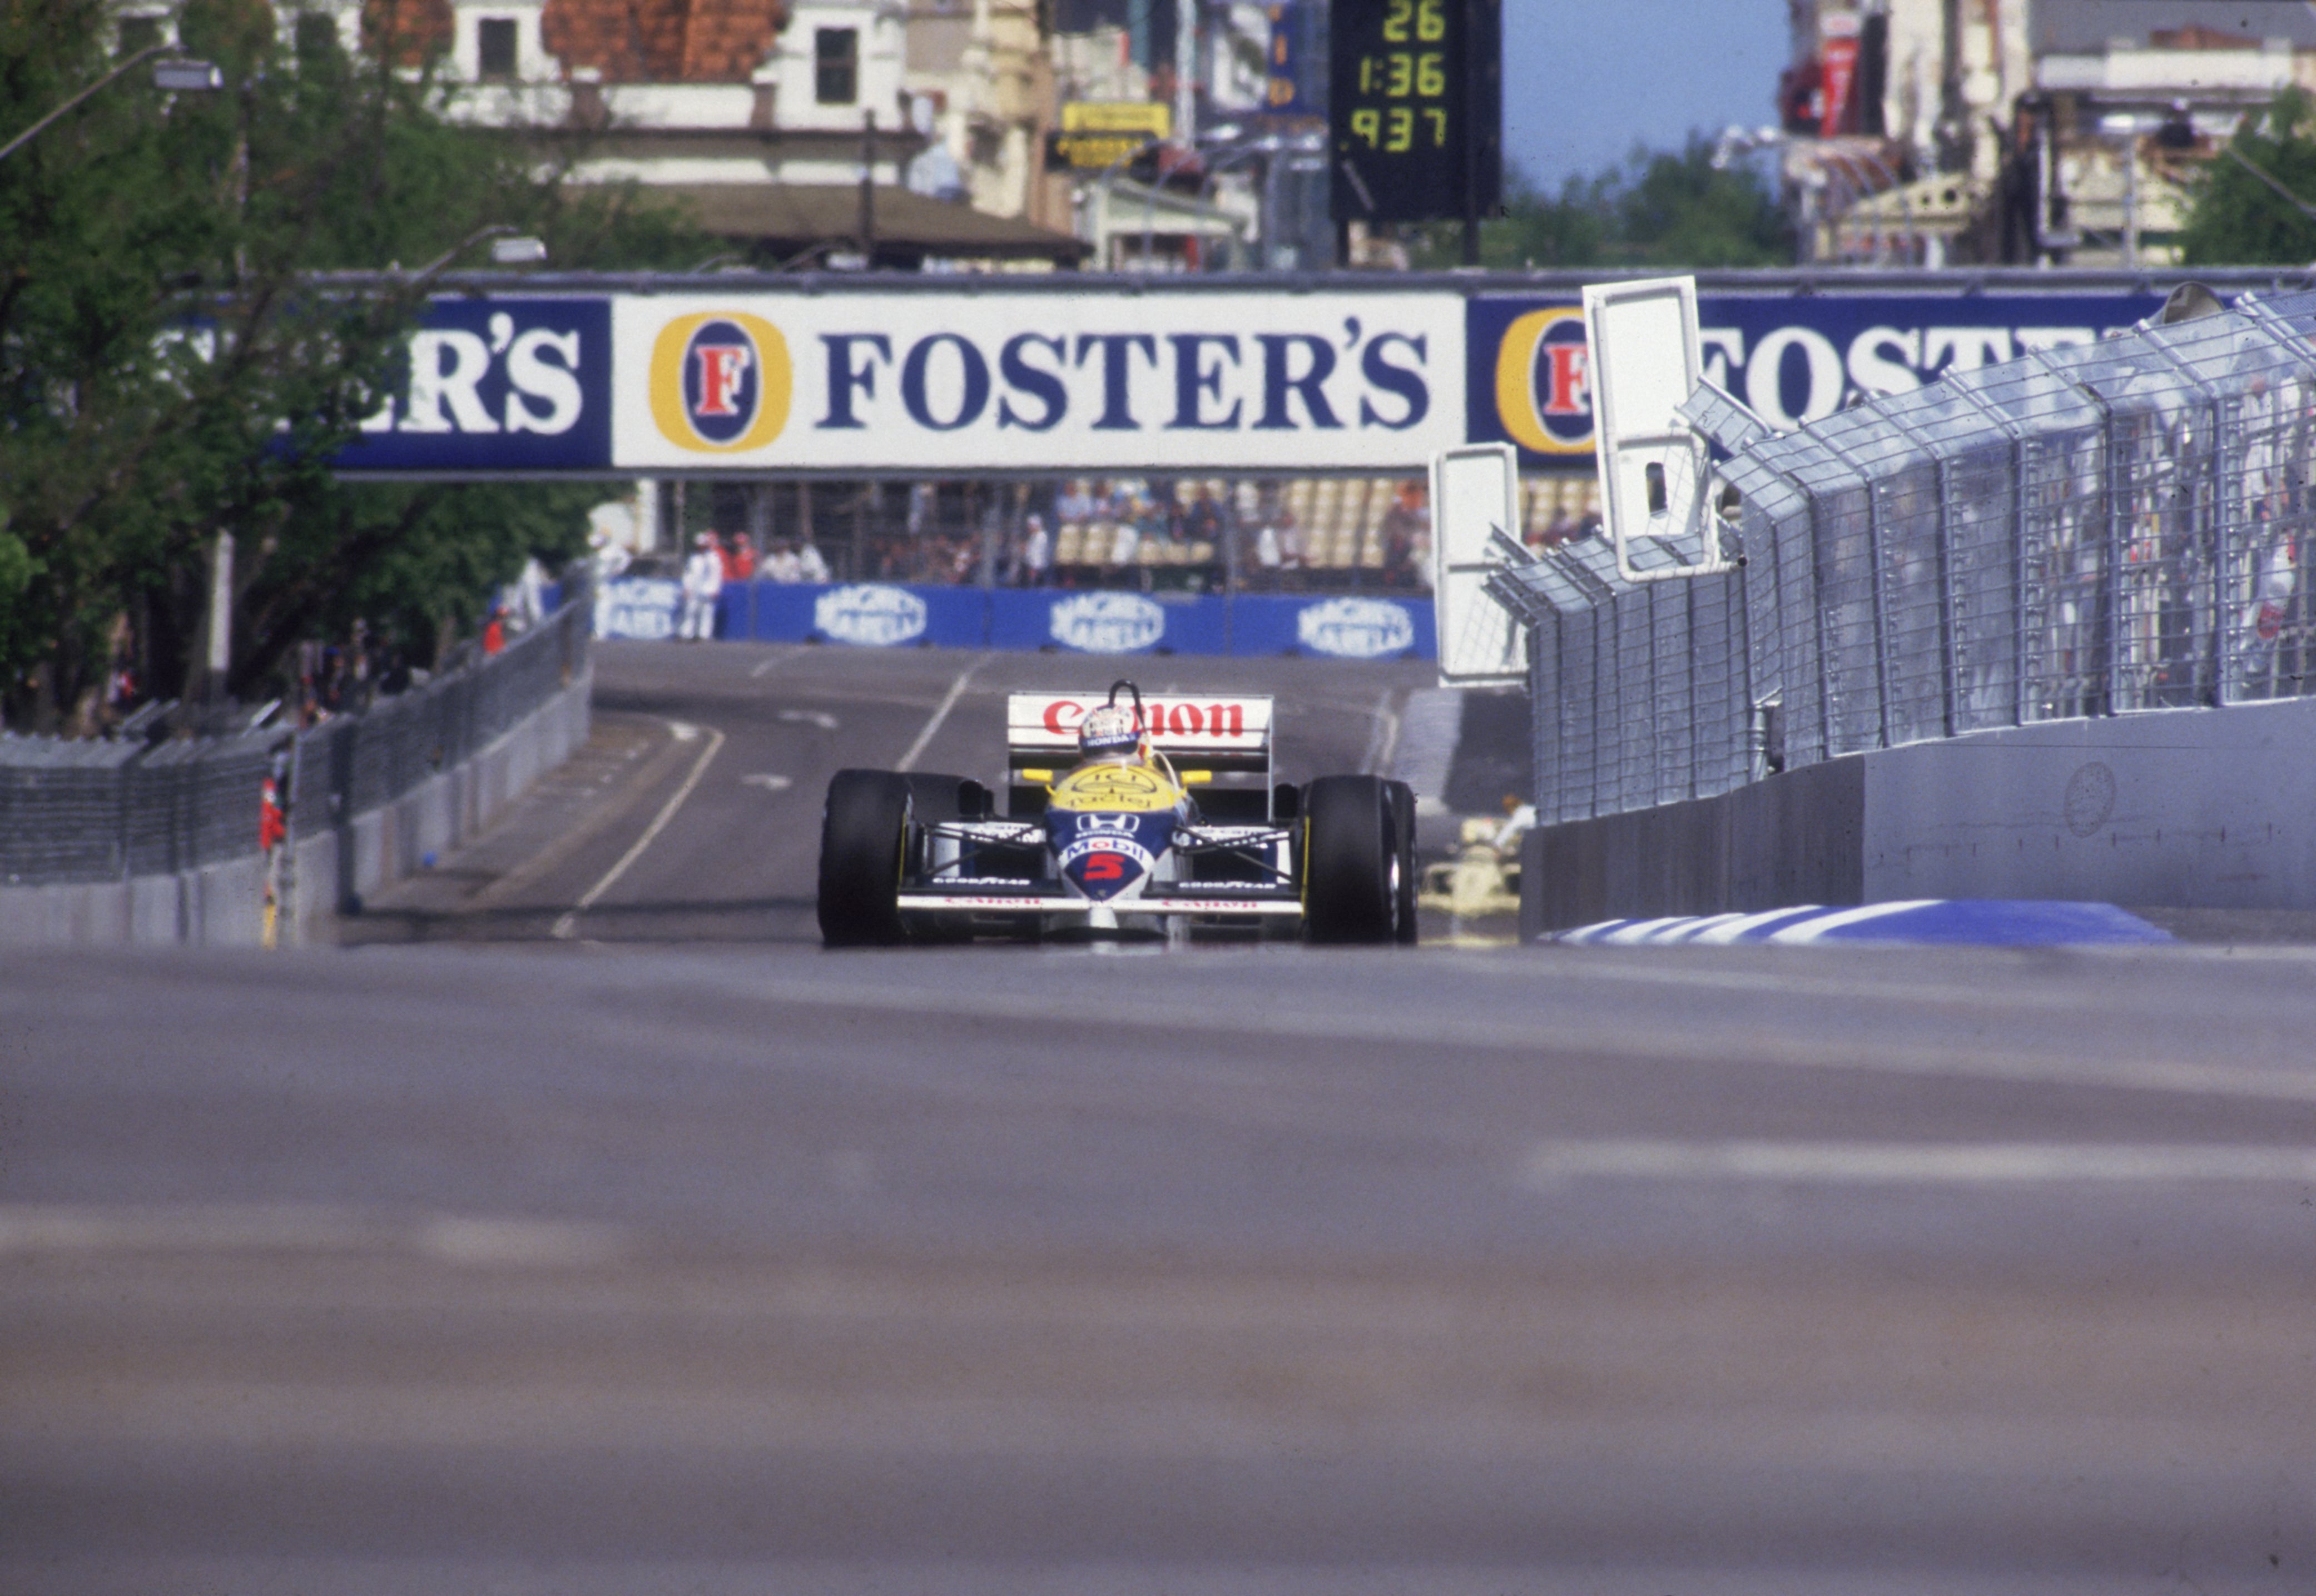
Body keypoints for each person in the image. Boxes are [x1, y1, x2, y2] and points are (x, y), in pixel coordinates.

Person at [680, 531, 723, 642]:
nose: (701, 548)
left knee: (706, 612)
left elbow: (716, 574)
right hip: (694, 587)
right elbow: (688, 574)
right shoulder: (693, 558)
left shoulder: (713, 558)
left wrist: (715, 589)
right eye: (699, 546)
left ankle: (704, 635)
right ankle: (686, 633)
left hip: (707, 588)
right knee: (690, 610)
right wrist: (686, 587)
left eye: (703, 545)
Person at [1017, 514, 1051, 586]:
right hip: (1030, 565)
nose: (1029, 528)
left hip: (1038, 567)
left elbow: (1036, 554)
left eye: (1031, 526)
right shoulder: (1032, 536)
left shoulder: (1042, 536)